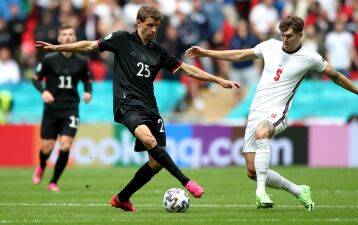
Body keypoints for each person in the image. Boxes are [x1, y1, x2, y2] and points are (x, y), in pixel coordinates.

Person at [35, 5, 240, 212]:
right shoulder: (122, 39)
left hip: (150, 107)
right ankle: (186, 181)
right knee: (150, 140)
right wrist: (56, 48)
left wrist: (217, 79)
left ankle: (122, 198)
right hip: (127, 104)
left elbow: (187, 69)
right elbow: (89, 46)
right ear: (139, 23)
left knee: (155, 162)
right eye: (150, 25)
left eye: (156, 26)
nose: (153, 30)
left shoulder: (159, 52)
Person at [185, 15, 358, 211]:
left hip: (277, 113)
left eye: (289, 36)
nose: (285, 39)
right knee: (252, 170)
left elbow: (336, 75)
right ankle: (299, 190)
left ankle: (261, 193)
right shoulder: (269, 46)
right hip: (256, 111)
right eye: (282, 35)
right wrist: (205, 53)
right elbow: (238, 55)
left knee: (262, 132)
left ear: (301, 35)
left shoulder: (310, 58)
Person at [32, 23, 93, 192]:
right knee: (47, 148)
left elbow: (87, 81)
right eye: (64, 34)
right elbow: (35, 79)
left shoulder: (81, 61)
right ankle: (42, 166)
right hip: (51, 109)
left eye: (70, 34)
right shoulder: (49, 59)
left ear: (74, 38)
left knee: (65, 145)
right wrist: (43, 92)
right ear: (59, 38)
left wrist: (88, 93)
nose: (67, 37)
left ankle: (53, 181)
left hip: (71, 108)